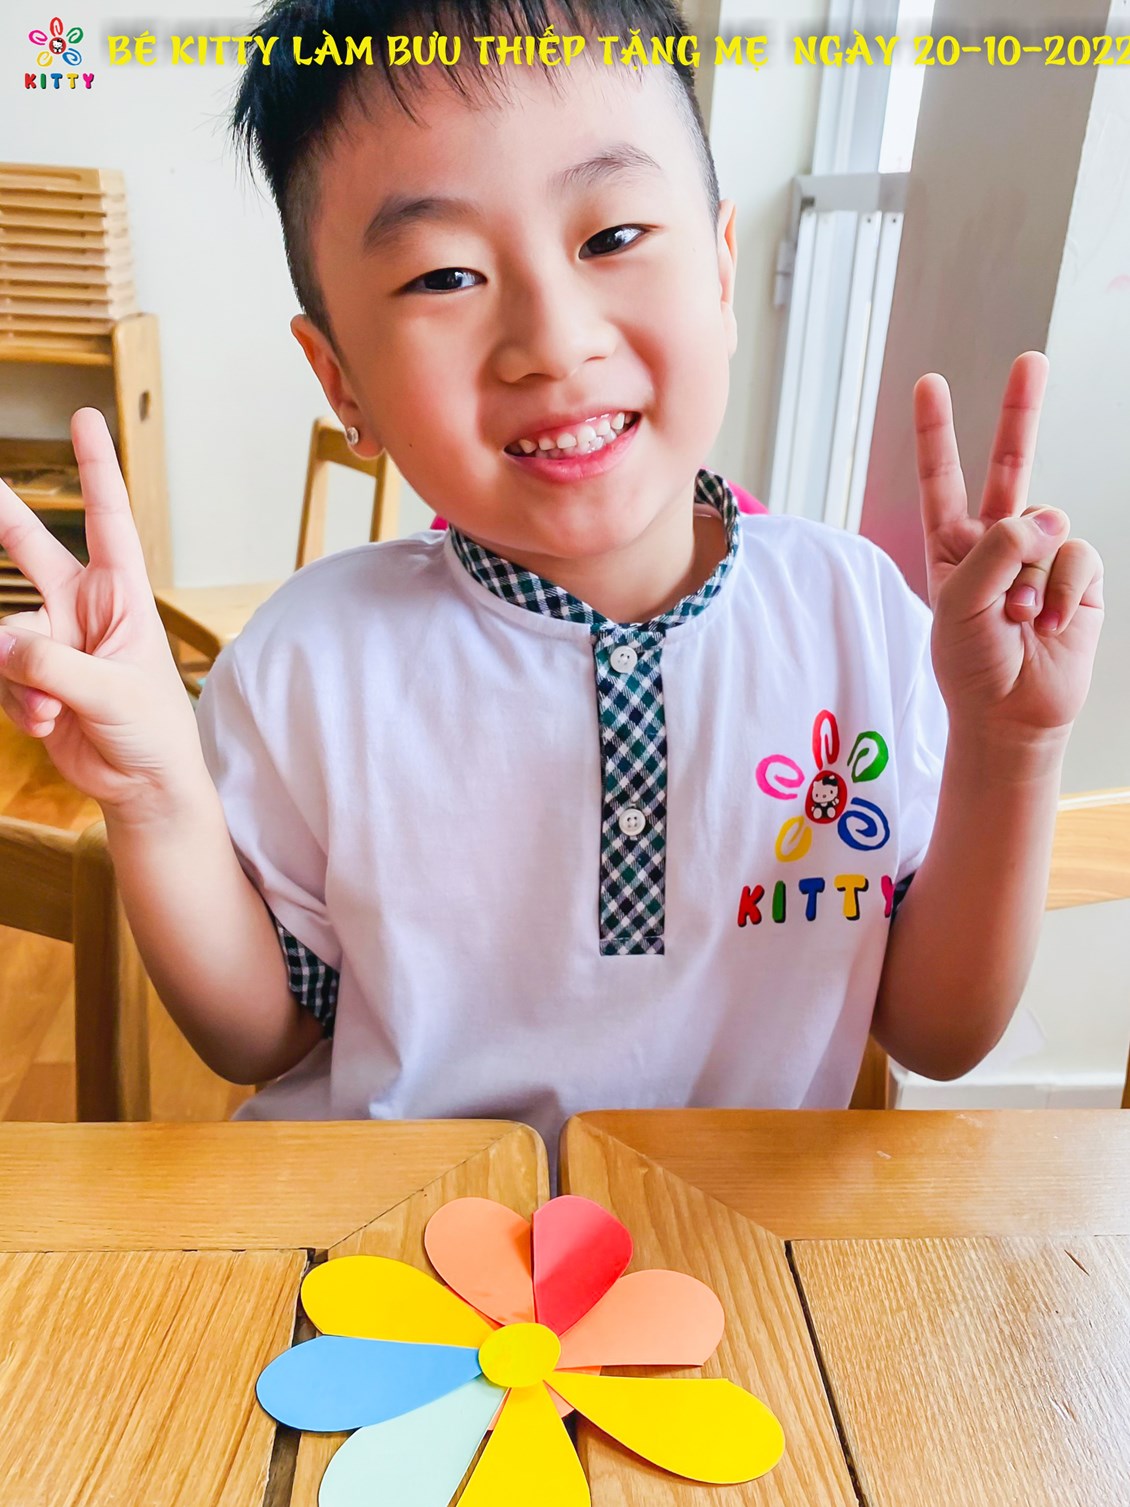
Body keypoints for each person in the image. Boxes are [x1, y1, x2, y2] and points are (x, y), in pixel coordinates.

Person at [0, 1, 1103, 1155]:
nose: (553, 339)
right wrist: (156, 790)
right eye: (443, 275)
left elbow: (935, 1032)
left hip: (727, 1239)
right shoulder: (309, 663)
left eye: (611, 236)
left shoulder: (856, 619)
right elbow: (259, 1036)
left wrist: (1009, 745)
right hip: (404, 1235)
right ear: (340, 382)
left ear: (721, 270)